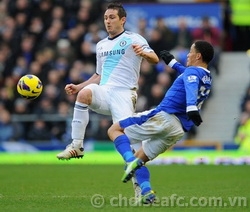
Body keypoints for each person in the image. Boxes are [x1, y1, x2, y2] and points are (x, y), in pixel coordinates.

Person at [108, 40, 214, 204]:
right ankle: (146, 192)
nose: (188, 54)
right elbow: (188, 75)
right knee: (140, 158)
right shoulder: (206, 76)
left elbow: (190, 83)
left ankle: (130, 162)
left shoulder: (192, 73)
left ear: (198, 55)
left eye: (190, 51)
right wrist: (172, 62)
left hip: (164, 116)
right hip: (177, 130)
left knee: (114, 130)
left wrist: (191, 107)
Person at [56, 2, 159, 158]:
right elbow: (98, 75)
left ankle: (137, 177)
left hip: (124, 94)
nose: (108, 21)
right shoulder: (101, 45)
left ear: (122, 20)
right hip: (104, 91)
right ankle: (76, 145)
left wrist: (144, 54)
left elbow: (155, 59)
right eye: (105, 18)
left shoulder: (134, 38)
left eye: (112, 17)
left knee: (126, 139)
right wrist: (79, 87)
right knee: (84, 94)